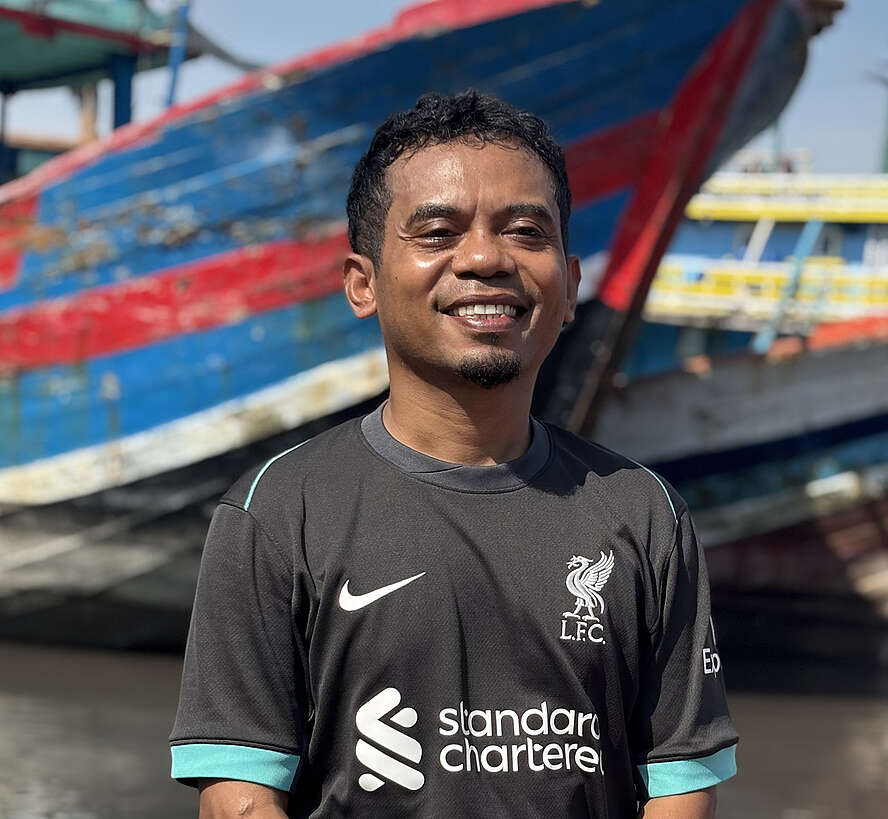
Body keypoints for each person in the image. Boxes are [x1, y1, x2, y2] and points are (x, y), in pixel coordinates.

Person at [170, 91, 737, 818]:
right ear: (363, 283)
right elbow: (238, 795)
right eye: (437, 232)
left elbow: (682, 782)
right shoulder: (277, 512)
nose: (483, 258)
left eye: (524, 230)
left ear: (569, 287)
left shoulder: (644, 513)